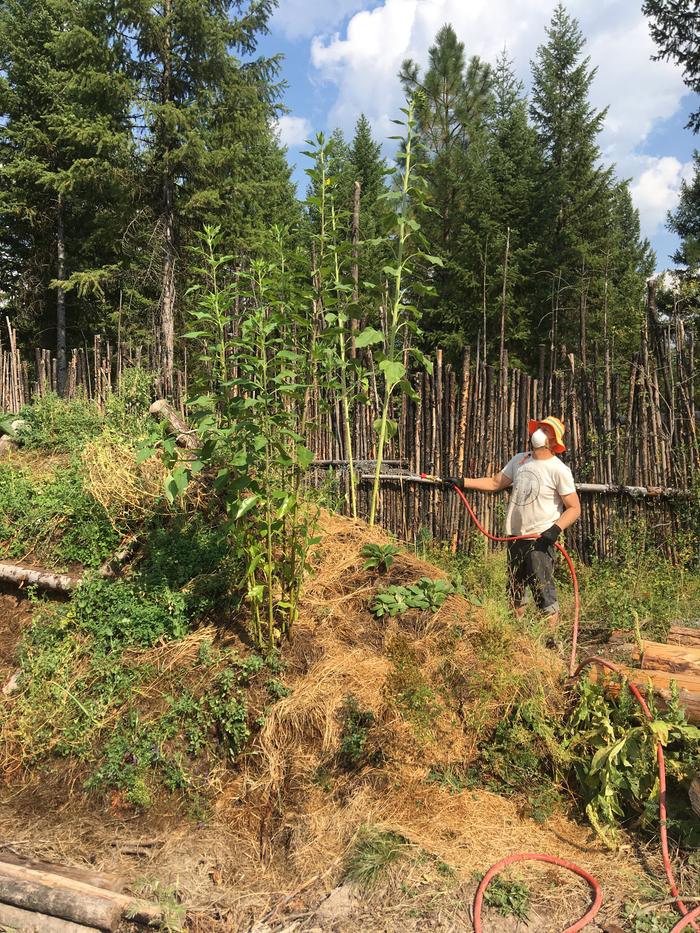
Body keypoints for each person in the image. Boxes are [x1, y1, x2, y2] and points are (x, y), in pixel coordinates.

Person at [447, 416, 581, 626]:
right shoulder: (520, 460)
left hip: (540, 540)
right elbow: (494, 483)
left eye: (546, 430)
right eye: (540, 428)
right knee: (515, 591)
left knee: (544, 594)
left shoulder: (559, 469)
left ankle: (552, 644)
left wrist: (555, 530)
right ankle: (518, 637)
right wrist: (463, 482)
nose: (539, 432)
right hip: (516, 537)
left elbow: (574, 508)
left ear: (554, 441)